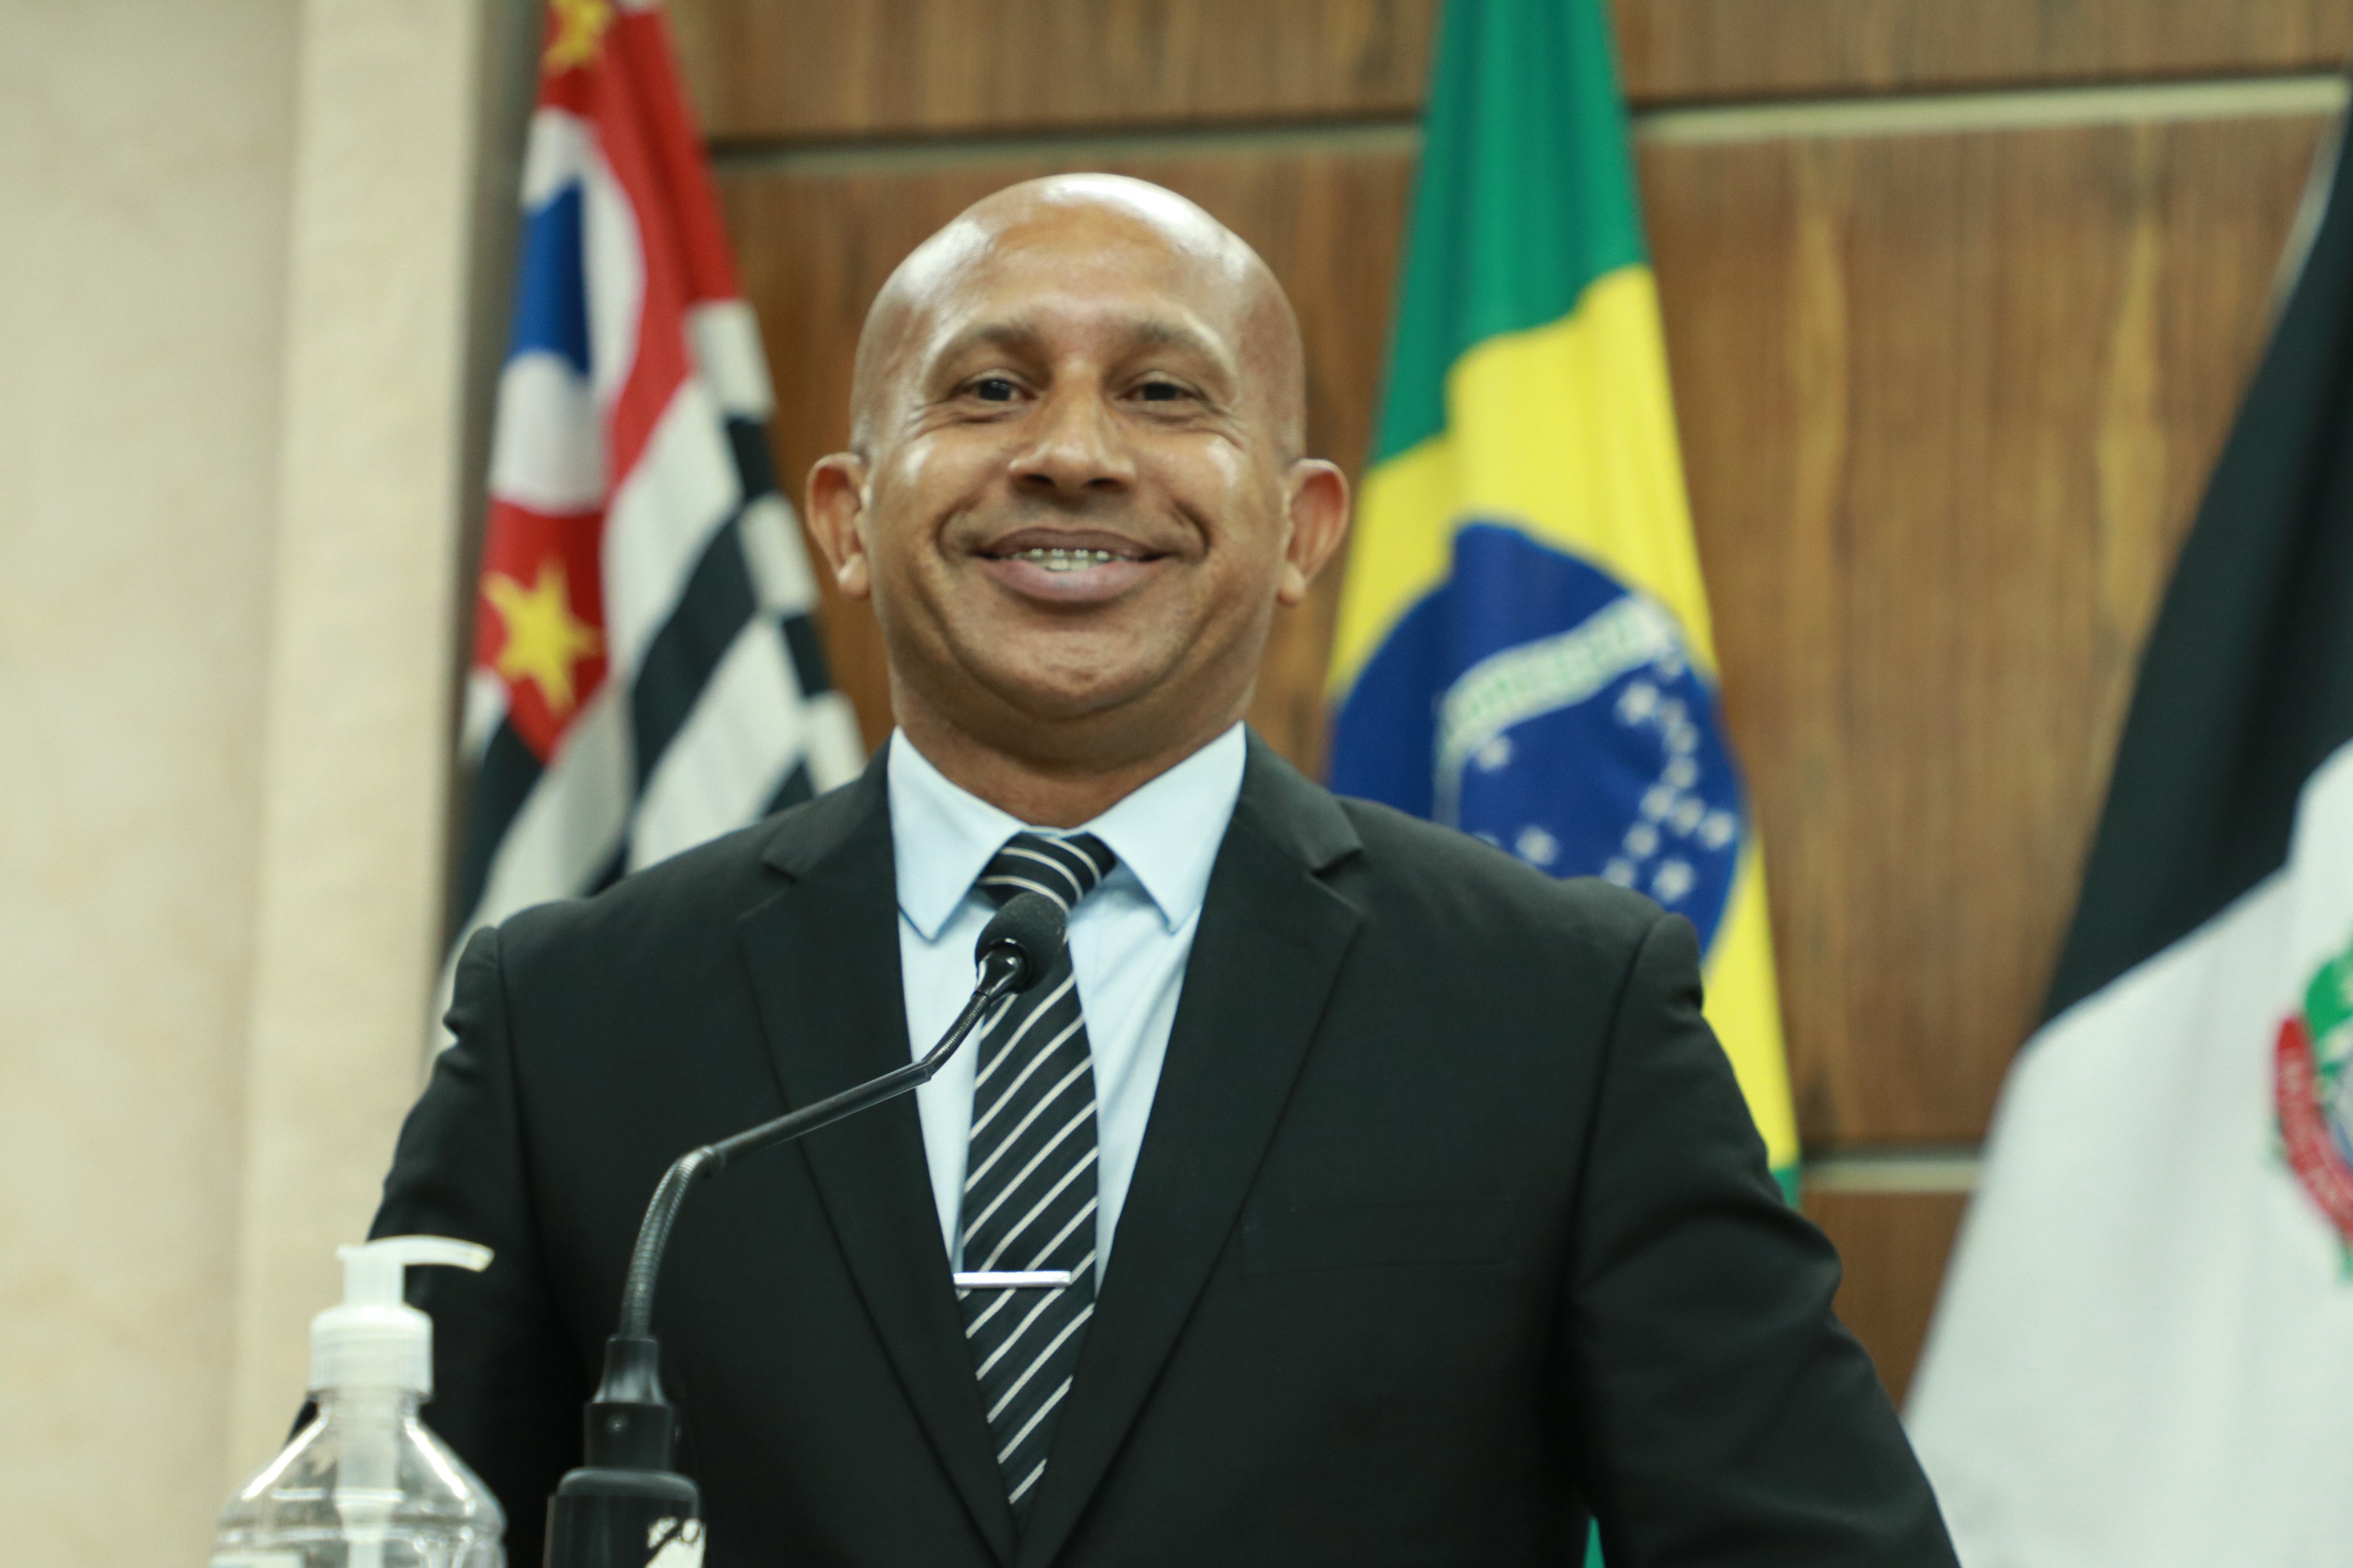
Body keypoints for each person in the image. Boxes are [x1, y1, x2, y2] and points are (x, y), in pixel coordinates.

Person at [373, 174, 1957, 1567]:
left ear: (1303, 531)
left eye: (1164, 394)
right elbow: (382, 1525)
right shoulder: (569, 1018)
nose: (1072, 453)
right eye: (990, 389)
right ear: (847, 523)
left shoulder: (1560, 1010)